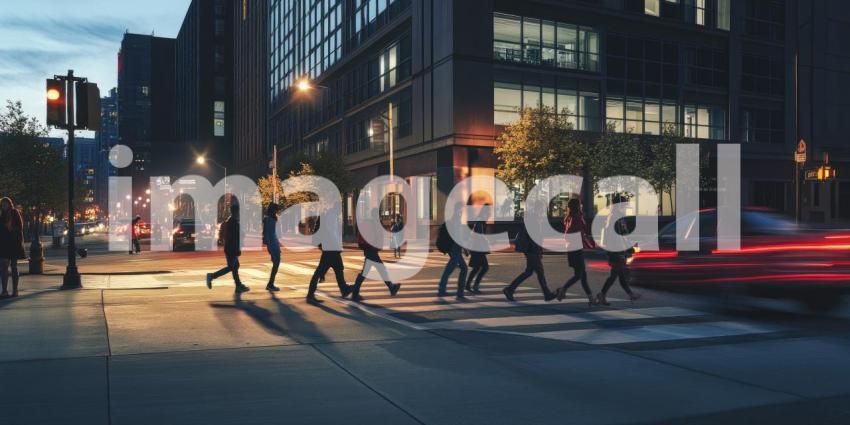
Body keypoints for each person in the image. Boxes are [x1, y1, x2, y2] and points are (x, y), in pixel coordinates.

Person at [503, 212, 556, 302]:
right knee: (540, 272)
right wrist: (539, 252)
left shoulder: (532, 222)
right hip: (532, 251)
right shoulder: (534, 223)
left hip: (531, 251)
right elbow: (535, 240)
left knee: (529, 272)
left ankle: (510, 289)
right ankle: (546, 294)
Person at [596, 201, 641, 305]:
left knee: (620, 274)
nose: (626, 208)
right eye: (625, 205)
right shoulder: (616, 218)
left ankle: (630, 294)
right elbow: (619, 236)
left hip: (617, 250)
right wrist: (629, 247)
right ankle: (602, 294)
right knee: (615, 274)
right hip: (616, 251)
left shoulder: (615, 217)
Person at [350, 215, 401, 302]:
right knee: (378, 270)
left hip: (370, 250)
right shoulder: (373, 224)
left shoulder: (371, 223)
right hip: (371, 250)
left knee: (370, 271)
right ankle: (391, 287)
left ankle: (355, 293)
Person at [556, 198, 596, 306]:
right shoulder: (577, 218)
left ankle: (591, 298)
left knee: (583, 275)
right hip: (576, 249)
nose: (582, 206)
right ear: (577, 206)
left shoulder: (572, 217)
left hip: (574, 249)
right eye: (580, 204)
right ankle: (562, 289)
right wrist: (589, 244)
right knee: (579, 275)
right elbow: (577, 234)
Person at [306, 218, 353, 304]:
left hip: (329, 250)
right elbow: (332, 235)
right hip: (331, 250)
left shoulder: (327, 217)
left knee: (337, 270)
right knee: (326, 271)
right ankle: (310, 294)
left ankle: (344, 289)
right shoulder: (330, 219)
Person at [206, 203, 250, 293]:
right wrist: (237, 249)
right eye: (239, 212)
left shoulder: (229, 221)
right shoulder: (233, 223)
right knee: (231, 267)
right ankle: (212, 276)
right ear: (236, 212)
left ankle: (238, 285)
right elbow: (236, 237)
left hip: (230, 248)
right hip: (232, 249)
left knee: (235, 266)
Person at [437, 203, 468, 300]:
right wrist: (465, 248)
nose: (463, 211)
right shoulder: (456, 220)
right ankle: (459, 293)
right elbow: (457, 236)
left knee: (452, 269)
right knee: (462, 268)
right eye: (462, 209)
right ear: (459, 209)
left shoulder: (454, 219)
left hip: (454, 248)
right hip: (455, 248)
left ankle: (442, 289)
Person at [0, 197, 26, 298]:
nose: (4, 205)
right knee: (3, 267)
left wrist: (11, 228)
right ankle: (4, 291)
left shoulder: (15, 213)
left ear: (10, 204)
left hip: (14, 244)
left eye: (5, 204)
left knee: (14, 267)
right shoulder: (1, 214)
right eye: (2, 204)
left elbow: (20, 227)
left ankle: (15, 290)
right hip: (3, 244)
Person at [465, 208, 490, 294]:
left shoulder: (481, 222)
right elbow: (479, 237)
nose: (490, 214)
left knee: (476, 268)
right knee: (484, 267)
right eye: (489, 212)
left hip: (477, 249)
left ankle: (468, 285)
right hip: (478, 249)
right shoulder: (480, 222)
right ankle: (474, 285)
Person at [263, 203, 281, 292]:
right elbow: (267, 234)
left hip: (275, 243)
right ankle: (270, 284)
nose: (277, 211)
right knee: (276, 263)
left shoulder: (272, 219)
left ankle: (271, 283)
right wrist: (269, 247)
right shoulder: (269, 219)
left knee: (276, 263)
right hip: (273, 244)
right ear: (273, 210)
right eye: (276, 209)